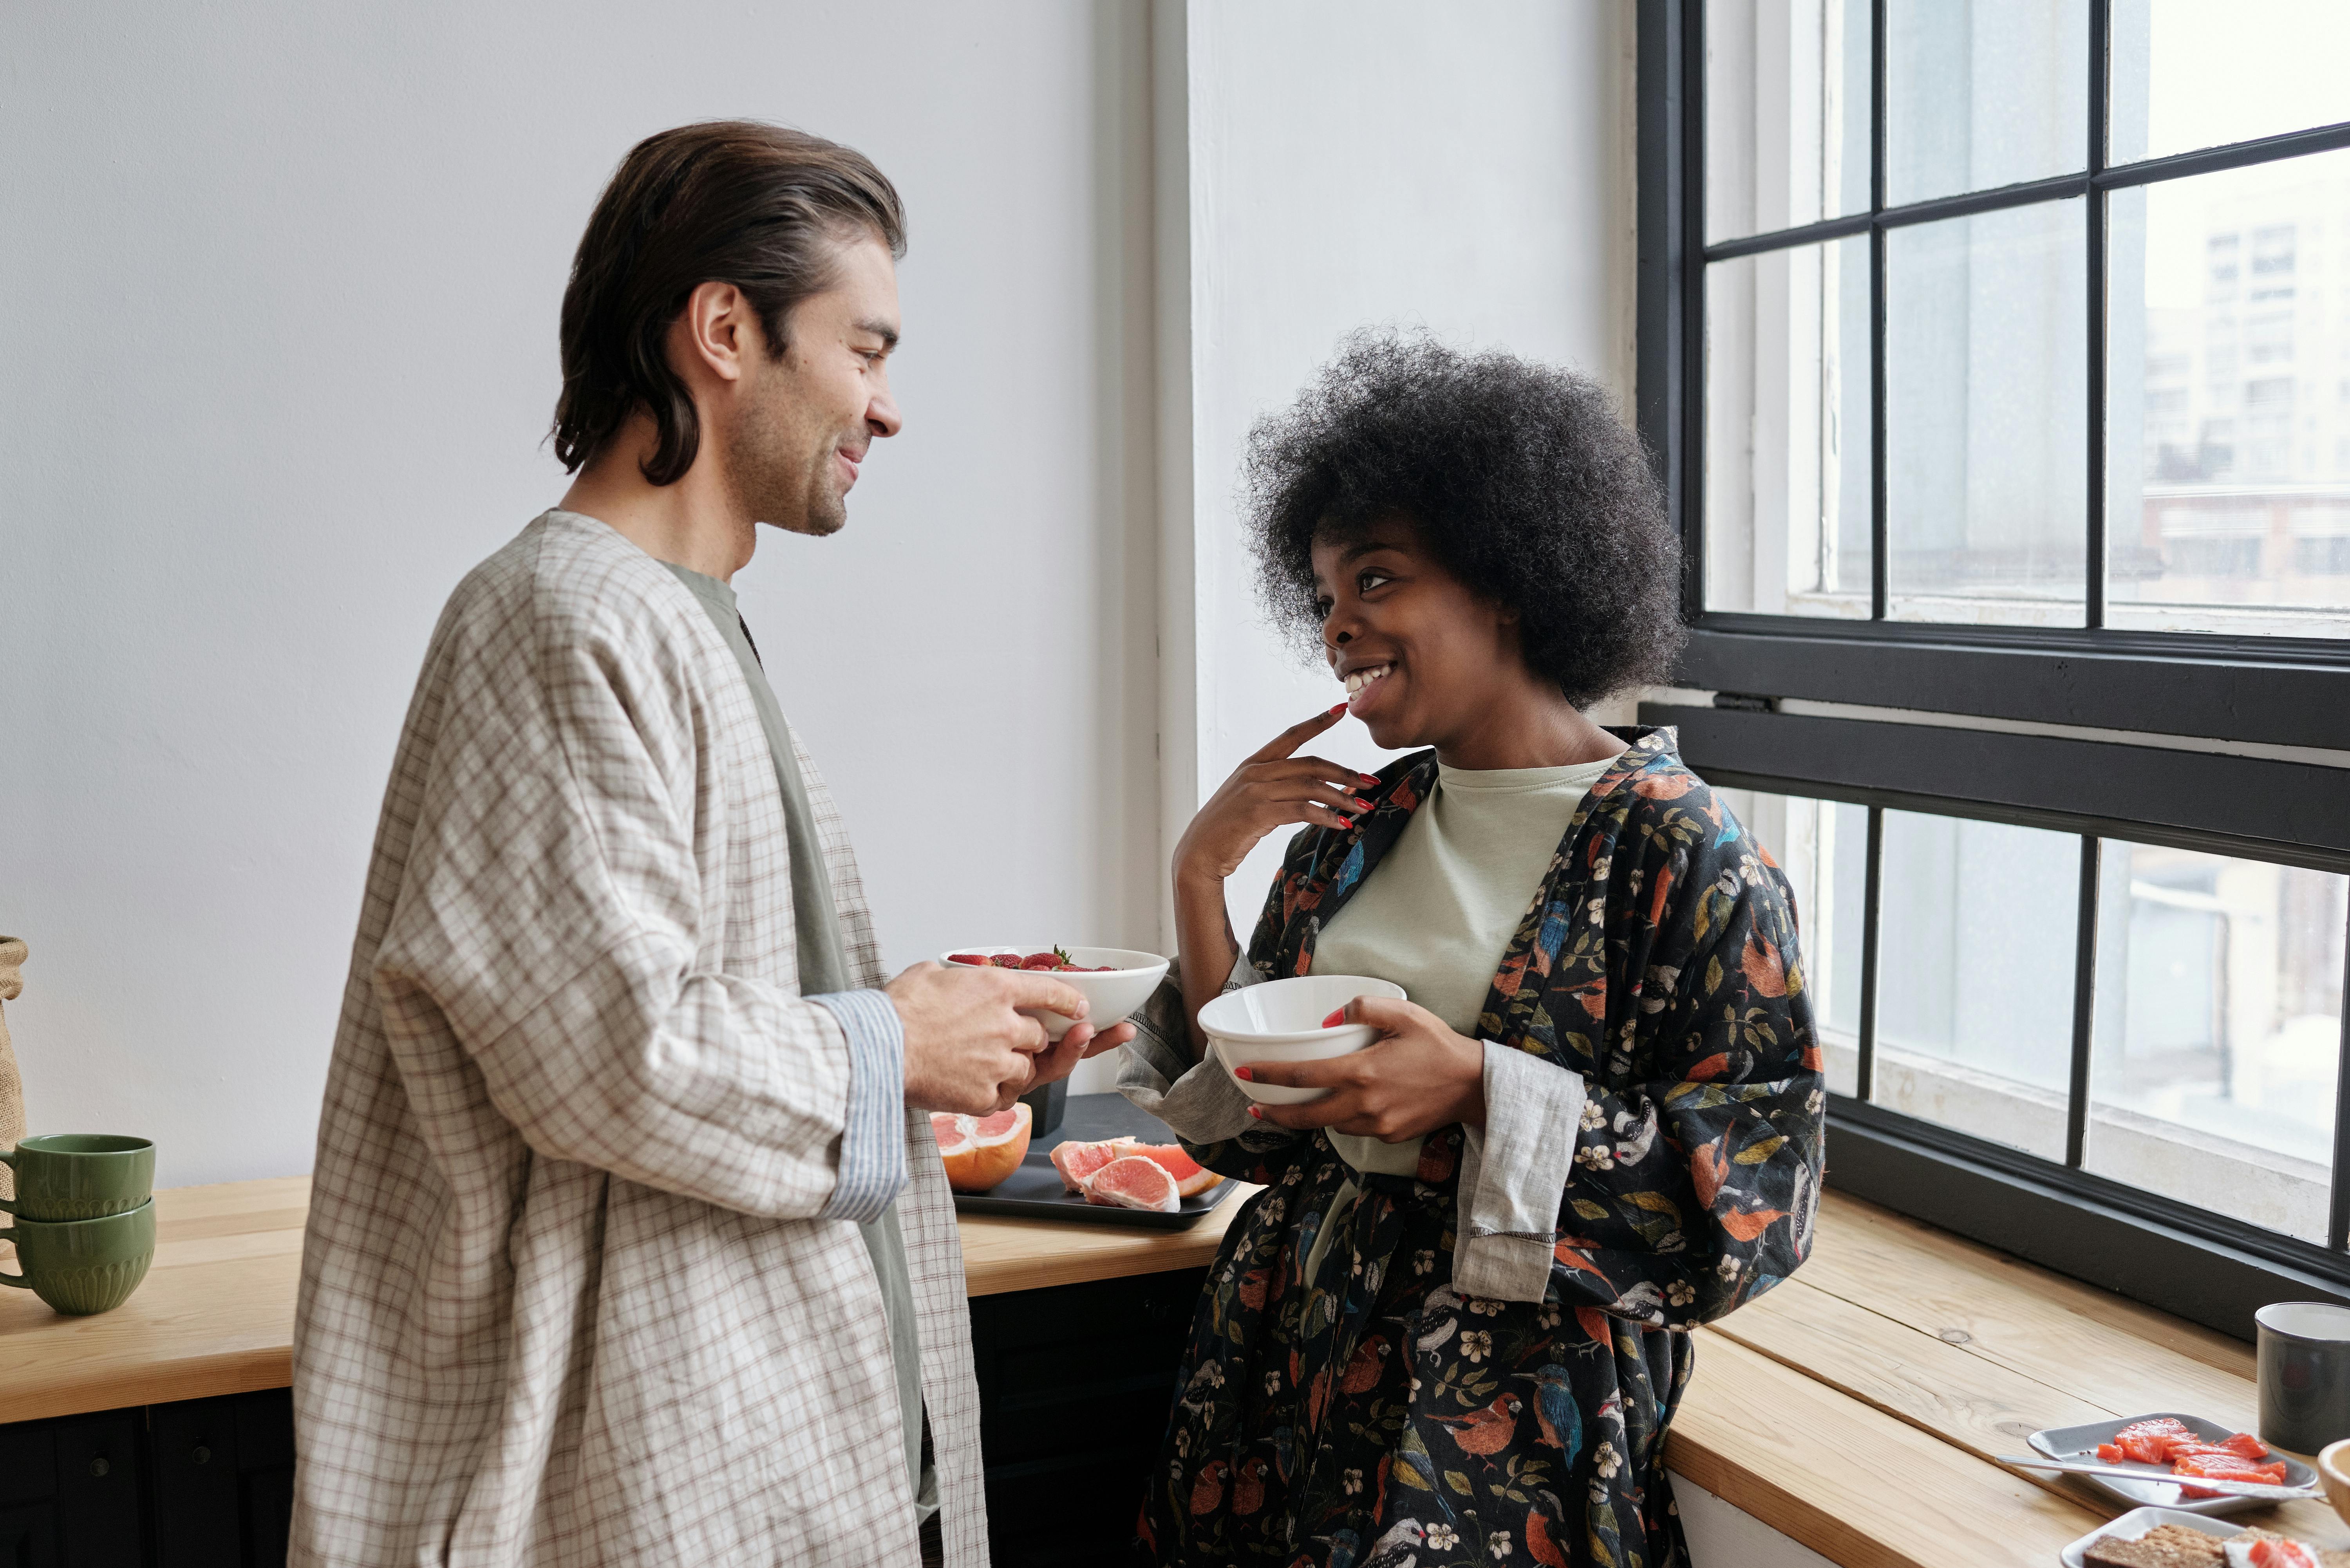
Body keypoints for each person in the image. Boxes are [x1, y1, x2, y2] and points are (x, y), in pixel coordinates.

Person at [290, 121, 1130, 1568]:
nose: (887, 408)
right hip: (622, 1479)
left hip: (750, 1445)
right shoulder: (561, 621)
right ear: (726, 329)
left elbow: (686, 1006)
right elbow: (615, 1053)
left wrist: (945, 1035)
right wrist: (889, 1041)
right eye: (866, 352)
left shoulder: (686, 618)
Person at [1117, 335, 1824, 1567]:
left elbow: (1759, 1205)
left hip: (1502, 1428)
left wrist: (1477, 1089)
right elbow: (1244, 1138)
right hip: (1284, 1370)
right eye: (1327, 597)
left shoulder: (1688, 852)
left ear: (1505, 579)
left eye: (1377, 582)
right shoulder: (1357, 827)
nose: (1340, 627)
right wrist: (1197, 872)